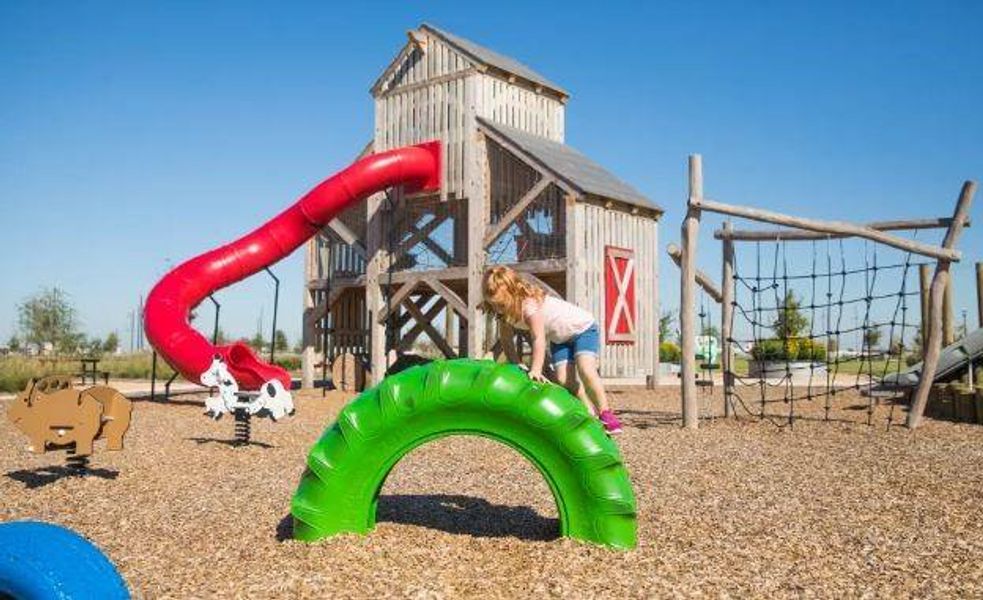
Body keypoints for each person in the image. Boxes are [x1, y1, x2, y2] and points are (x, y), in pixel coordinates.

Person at [482, 265, 623, 434]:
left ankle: (606, 413)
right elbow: (506, 341)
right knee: (564, 380)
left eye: (502, 305)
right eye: (494, 305)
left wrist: (535, 369)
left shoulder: (529, 306)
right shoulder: (503, 314)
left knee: (586, 369)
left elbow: (538, 338)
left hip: (582, 329)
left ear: (513, 293)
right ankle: (589, 414)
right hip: (560, 338)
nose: (499, 309)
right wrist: (515, 363)